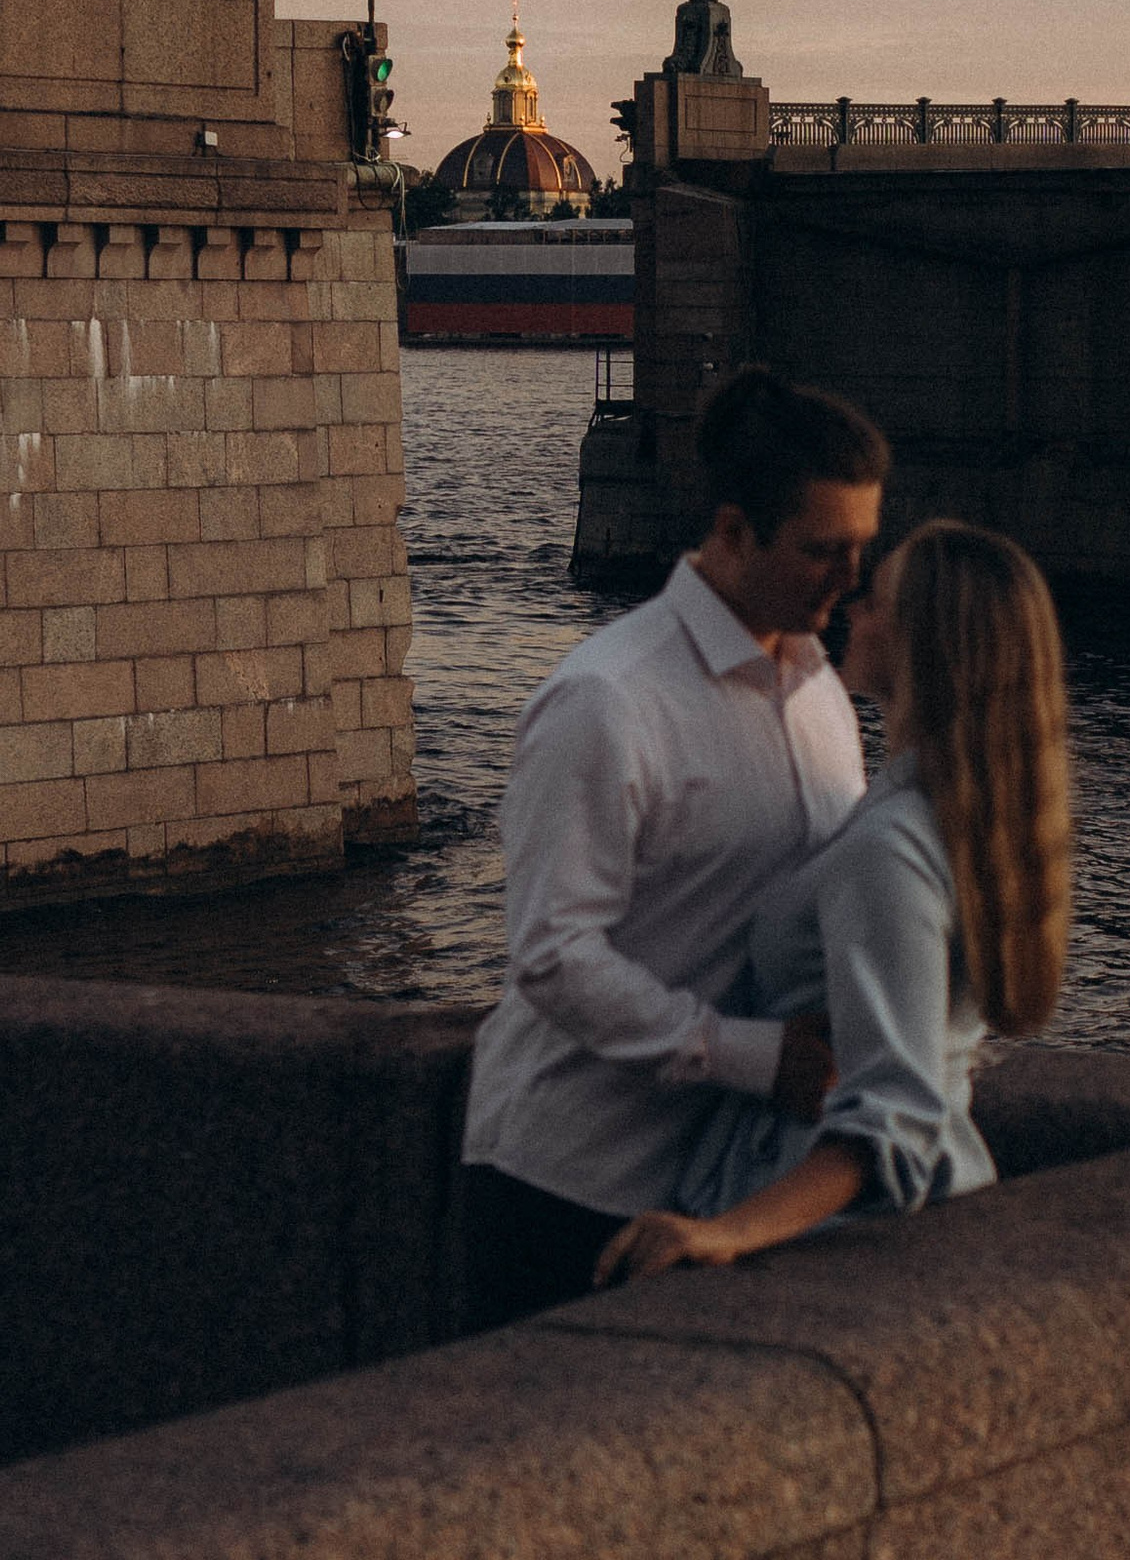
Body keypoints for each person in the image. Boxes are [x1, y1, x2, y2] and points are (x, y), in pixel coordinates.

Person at [458, 365, 888, 1324]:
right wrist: (752, 1057)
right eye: (825, 550)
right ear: (733, 531)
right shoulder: (607, 701)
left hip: (734, 1184)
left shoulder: (823, 690)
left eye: (864, 547)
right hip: (574, 1184)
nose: (853, 580)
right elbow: (553, 957)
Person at [595, 519, 1072, 1284]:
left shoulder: (891, 848)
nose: (853, 607)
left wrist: (725, 1233)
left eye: (877, 602)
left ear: (924, 644)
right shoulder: (960, 817)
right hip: (937, 1206)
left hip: (836, 1234)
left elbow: (890, 1114)